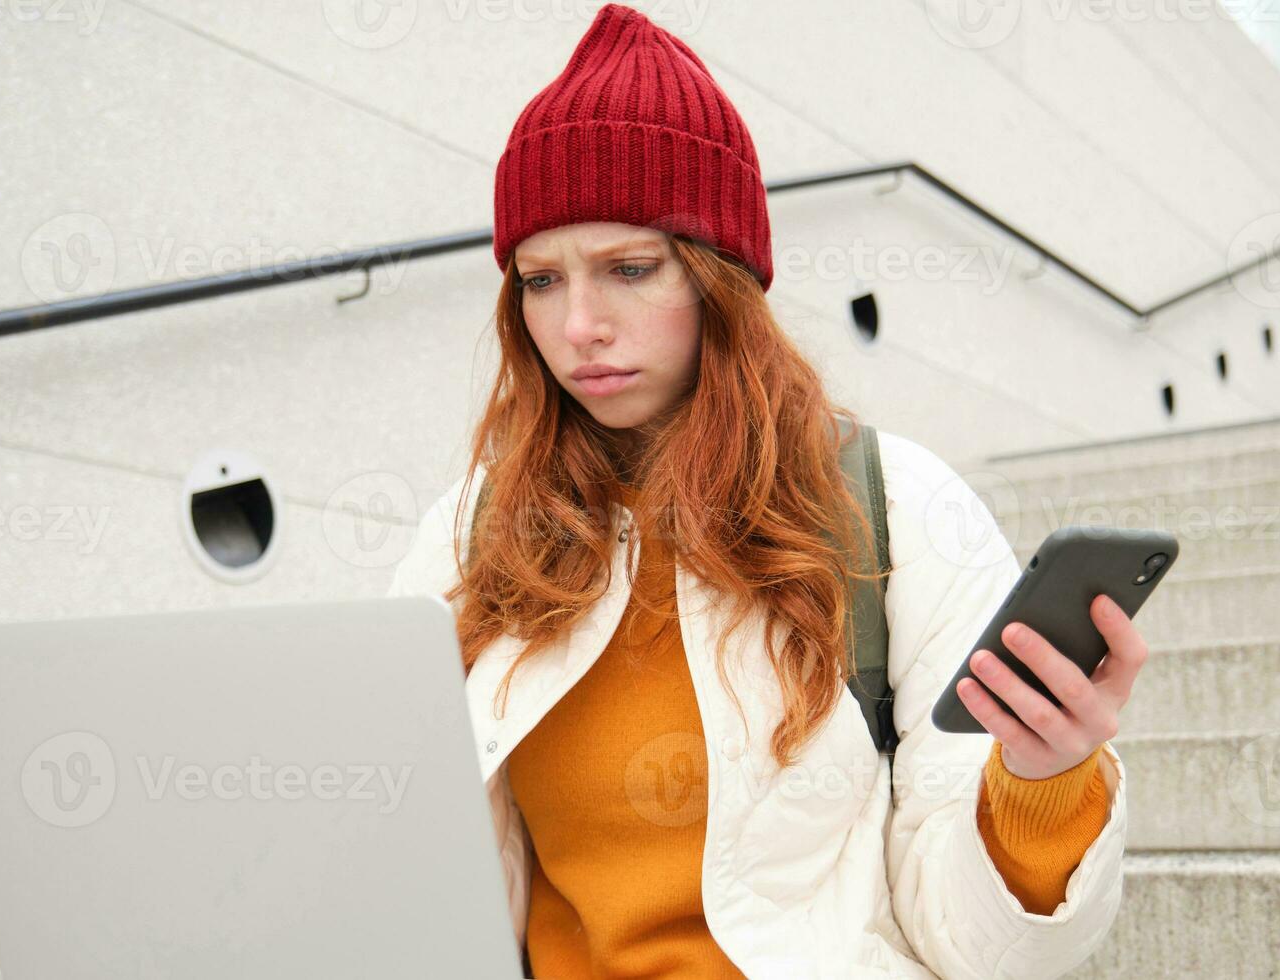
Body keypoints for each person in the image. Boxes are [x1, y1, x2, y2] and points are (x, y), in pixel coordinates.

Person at [385, 6, 1135, 977]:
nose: (576, 325)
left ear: (720, 276)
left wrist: (1040, 777)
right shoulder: (470, 531)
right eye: (537, 279)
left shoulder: (892, 504)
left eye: (628, 267)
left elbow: (978, 945)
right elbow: (406, 855)